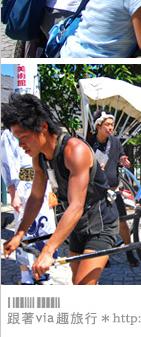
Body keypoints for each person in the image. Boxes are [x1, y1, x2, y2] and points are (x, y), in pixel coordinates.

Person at [2, 93, 119, 285]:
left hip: (101, 221)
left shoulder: (75, 151)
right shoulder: (39, 157)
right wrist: (19, 234)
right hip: (77, 225)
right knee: (77, 282)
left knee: (82, 285)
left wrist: (48, 251)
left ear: (43, 127)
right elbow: (36, 197)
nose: (20, 144)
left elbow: (76, 206)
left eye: (23, 137)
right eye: (16, 138)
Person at [0, 128, 56, 284]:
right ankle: (25, 272)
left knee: (45, 229)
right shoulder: (9, 134)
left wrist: (51, 188)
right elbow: (6, 164)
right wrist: (13, 193)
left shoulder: (38, 130)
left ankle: (42, 270)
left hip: (42, 186)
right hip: (22, 188)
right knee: (24, 230)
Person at [87, 111, 138, 267]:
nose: (110, 128)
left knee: (122, 222)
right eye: (107, 125)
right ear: (98, 126)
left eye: (112, 125)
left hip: (114, 189)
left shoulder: (115, 141)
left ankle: (129, 252)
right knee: (101, 225)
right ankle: (104, 255)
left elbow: (121, 155)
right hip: (97, 191)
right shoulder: (89, 143)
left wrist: (123, 159)